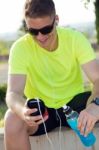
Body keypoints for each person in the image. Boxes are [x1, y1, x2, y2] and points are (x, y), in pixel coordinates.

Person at [4, 0, 99, 150]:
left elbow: (97, 79)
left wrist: (95, 106)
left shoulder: (75, 39)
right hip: (42, 112)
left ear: (56, 20)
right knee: (12, 118)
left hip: (74, 106)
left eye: (46, 29)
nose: (40, 37)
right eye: (33, 31)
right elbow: (12, 94)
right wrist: (22, 110)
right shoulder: (20, 48)